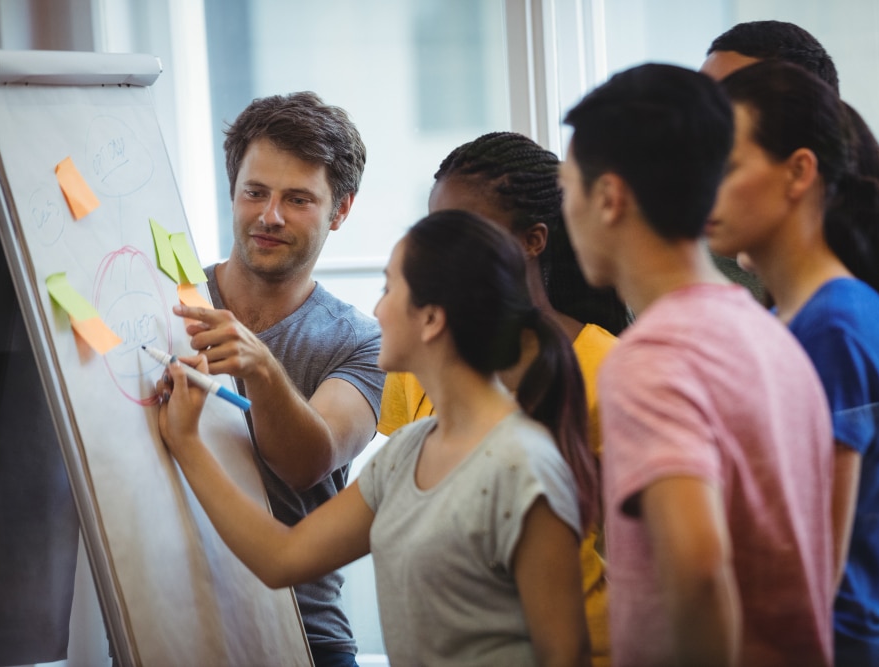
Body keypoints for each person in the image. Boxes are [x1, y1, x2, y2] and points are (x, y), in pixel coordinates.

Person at [156, 209, 599, 666]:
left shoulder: (525, 465)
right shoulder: (408, 451)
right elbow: (281, 557)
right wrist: (188, 444)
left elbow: (565, 657)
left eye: (390, 288)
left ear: (430, 319)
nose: (377, 309)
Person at [700, 21, 879, 665]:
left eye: (729, 161)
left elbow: (807, 575)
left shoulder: (837, 322)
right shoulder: (800, 319)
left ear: (800, 169)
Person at [560, 62, 835, 666]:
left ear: (608, 198)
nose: (565, 215)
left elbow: (699, 570)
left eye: (568, 191)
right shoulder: (768, 333)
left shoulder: (651, 360)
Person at [378, 131, 628, 666]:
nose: (442, 252)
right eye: (435, 230)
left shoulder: (606, 367)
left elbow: (643, 550)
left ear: (534, 241)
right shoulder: (422, 360)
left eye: (465, 230)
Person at [170, 92, 384, 666]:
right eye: (255, 192)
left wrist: (261, 367)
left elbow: (309, 461)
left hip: (306, 639)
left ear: (340, 211)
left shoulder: (360, 340)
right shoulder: (164, 299)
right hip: (153, 620)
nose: (269, 216)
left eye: (298, 199)